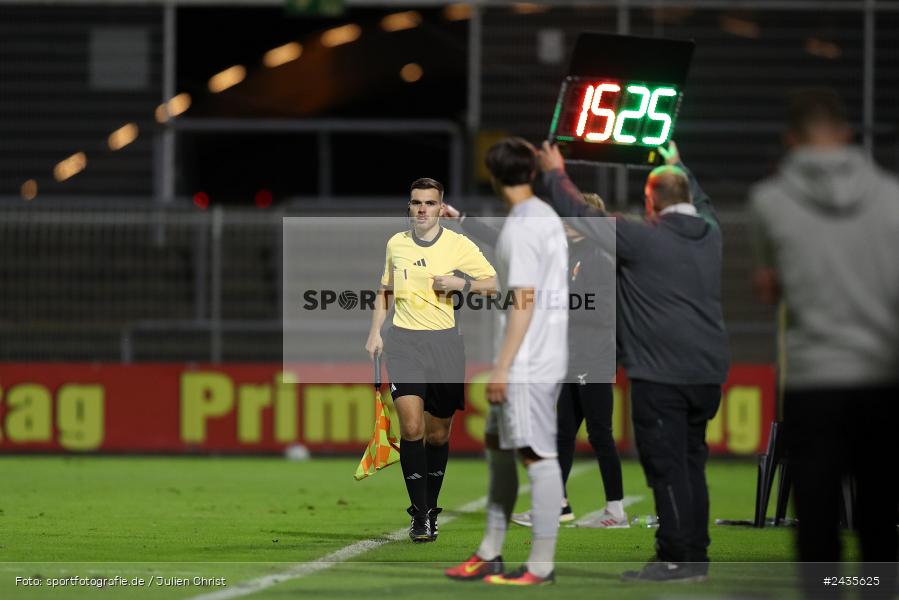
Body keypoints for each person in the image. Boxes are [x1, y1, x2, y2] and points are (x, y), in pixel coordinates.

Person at [539, 140, 729, 582]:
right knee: (691, 465)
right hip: (708, 372)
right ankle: (695, 556)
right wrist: (678, 162)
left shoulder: (642, 238)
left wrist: (554, 172)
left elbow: (582, 215)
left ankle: (676, 558)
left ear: (651, 202)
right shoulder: (712, 233)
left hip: (662, 376)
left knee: (666, 469)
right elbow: (701, 200)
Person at [749, 89, 899, 597]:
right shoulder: (893, 196)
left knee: (816, 520)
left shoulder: (769, 201)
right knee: (879, 516)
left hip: (813, 378)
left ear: (791, 141)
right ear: (848, 134)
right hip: (881, 376)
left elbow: (768, 288)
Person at [443, 194, 627, 529]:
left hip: (594, 358)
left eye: (575, 218)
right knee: (562, 435)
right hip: (571, 359)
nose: (566, 222)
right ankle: (558, 504)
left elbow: (602, 311)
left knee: (600, 434)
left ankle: (615, 509)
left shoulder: (598, 257)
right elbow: (508, 242)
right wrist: (462, 219)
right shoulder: (562, 252)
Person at [445, 137, 569, 585]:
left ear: (493, 177)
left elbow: (524, 300)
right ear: (533, 173)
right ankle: (490, 552)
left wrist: (503, 367)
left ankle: (541, 565)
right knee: (499, 449)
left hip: (528, 362)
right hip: (540, 353)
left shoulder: (523, 227)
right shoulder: (543, 217)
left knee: (538, 456)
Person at [365, 177, 497, 543]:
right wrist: (376, 331)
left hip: (445, 346)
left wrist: (461, 285)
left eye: (429, 203)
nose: (421, 209)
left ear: (441, 208)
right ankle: (419, 514)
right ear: (409, 207)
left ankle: (432, 507)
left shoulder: (458, 244)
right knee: (411, 429)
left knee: (438, 436)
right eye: (415, 202)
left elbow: (493, 284)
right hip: (404, 343)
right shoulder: (396, 243)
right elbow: (385, 290)